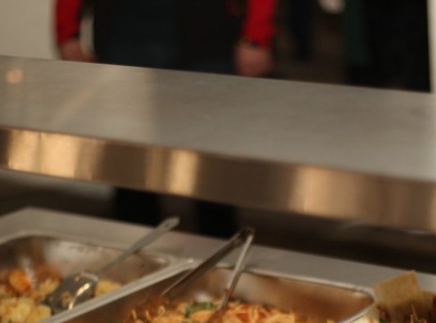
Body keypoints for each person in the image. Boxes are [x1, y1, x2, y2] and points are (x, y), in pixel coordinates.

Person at [55, 1, 277, 235]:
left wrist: (256, 35)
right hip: (126, 30)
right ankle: (135, 246)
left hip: (208, 31)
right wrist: (67, 31)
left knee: (212, 160)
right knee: (132, 161)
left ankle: (221, 246)